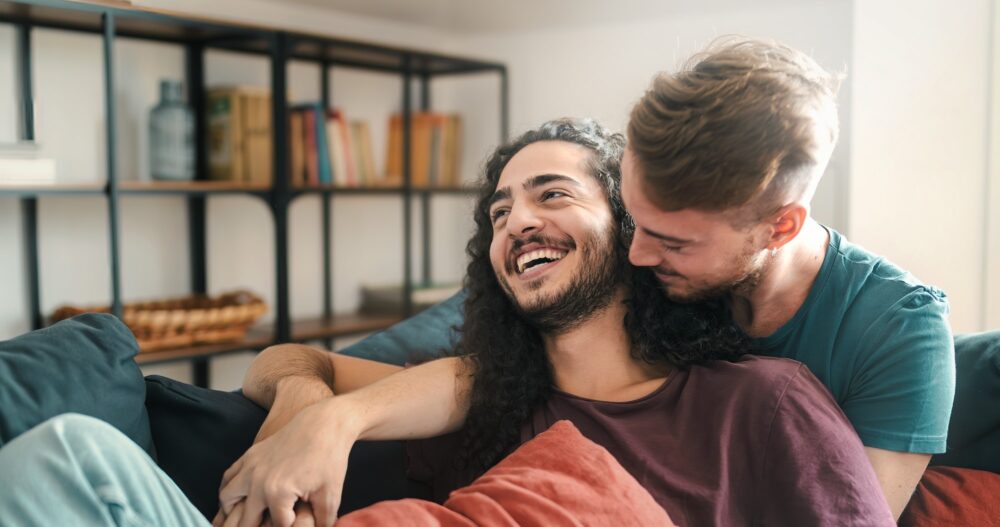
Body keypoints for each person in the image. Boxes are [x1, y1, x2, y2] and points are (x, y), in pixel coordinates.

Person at [223, 37, 954, 524]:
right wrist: (320, 412)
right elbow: (300, 362)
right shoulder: (492, 388)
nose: (515, 223)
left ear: (778, 228)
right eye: (498, 212)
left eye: (554, 194)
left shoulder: (781, 392)